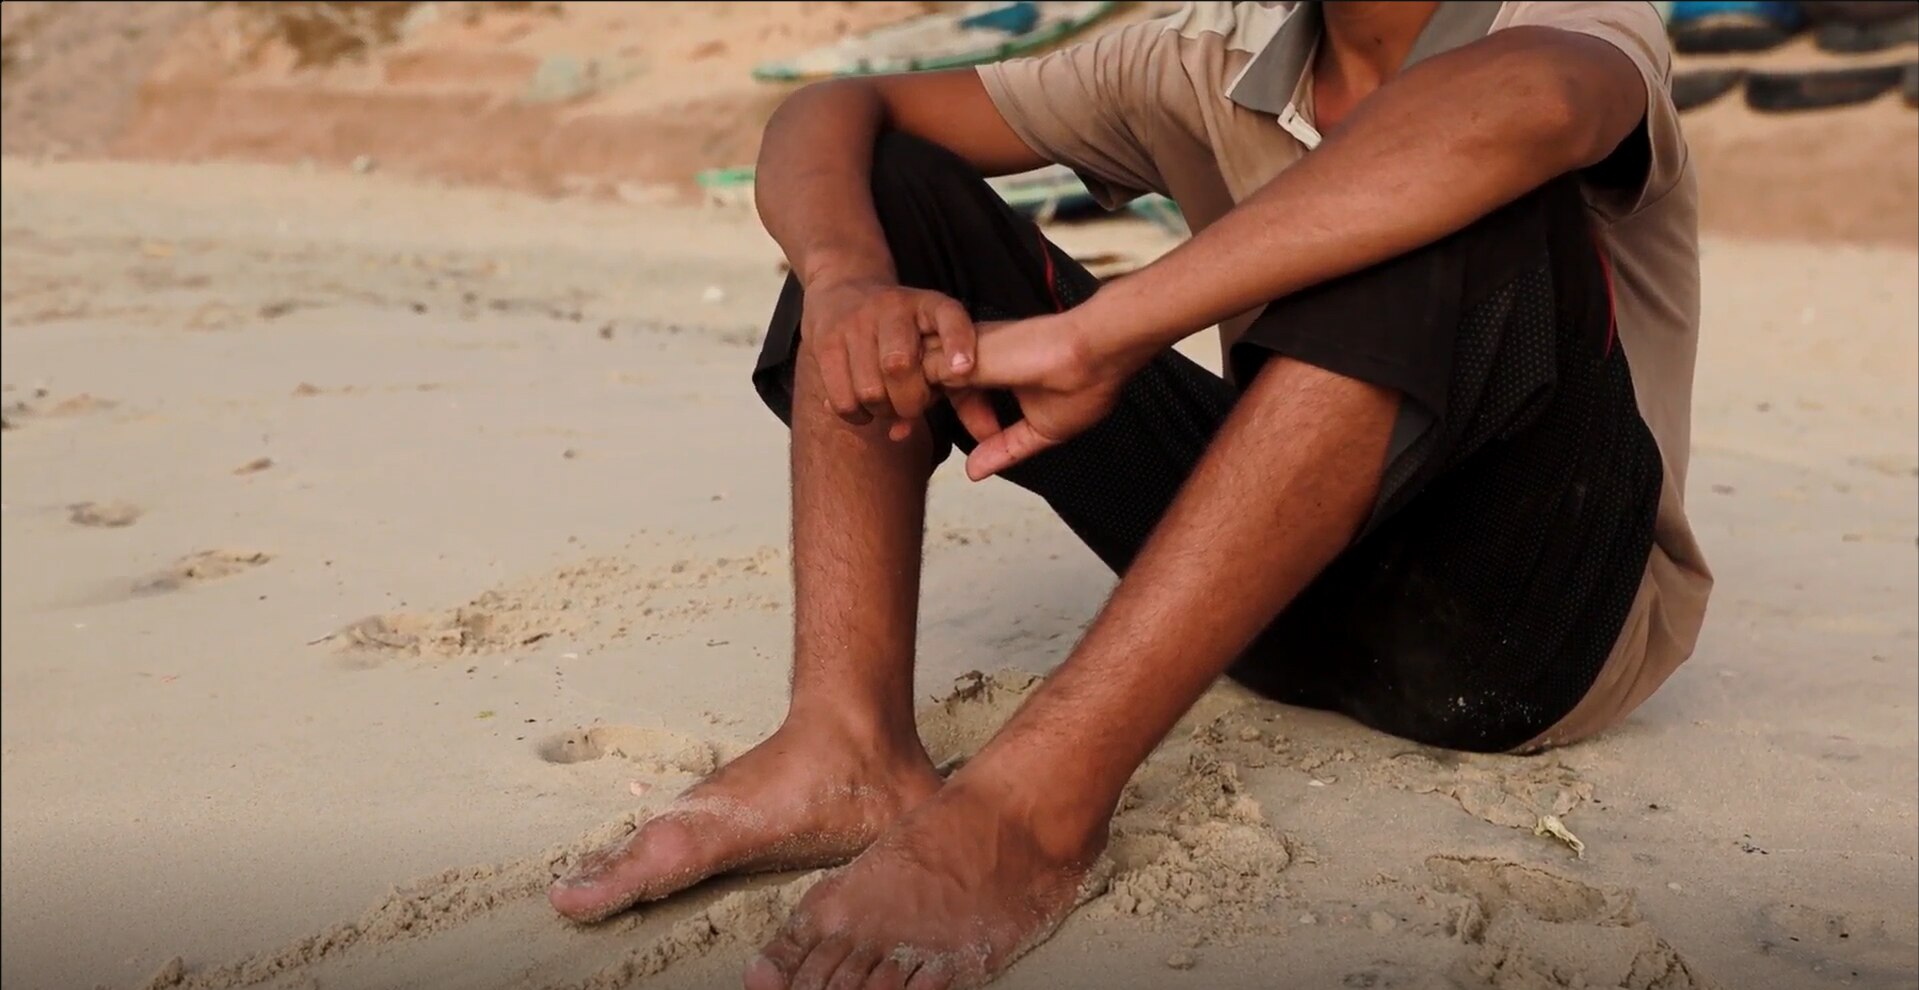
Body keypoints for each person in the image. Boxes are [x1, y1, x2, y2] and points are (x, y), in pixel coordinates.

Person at [549, 2, 1714, 988]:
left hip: (1528, 636)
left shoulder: (1565, 16)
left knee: (1458, 175)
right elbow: (835, 113)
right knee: (889, 189)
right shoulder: (1209, 50)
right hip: (1263, 589)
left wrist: (1101, 332)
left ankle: (1029, 811)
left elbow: (1542, 104)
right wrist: (849, 277)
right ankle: (841, 745)